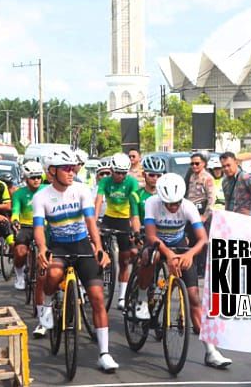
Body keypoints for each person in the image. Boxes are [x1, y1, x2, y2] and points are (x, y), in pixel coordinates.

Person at [32, 149, 118, 372]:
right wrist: (42, 248)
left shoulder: (81, 190)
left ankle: (104, 353)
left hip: (81, 244)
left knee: (98, 297)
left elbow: (91, 221)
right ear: (52, 171)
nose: (72, 172)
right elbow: (39, 228)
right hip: (58, 245)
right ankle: (48, 304)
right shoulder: (41, 197)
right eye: (66, 169)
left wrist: (98, 247)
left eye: (73, 168)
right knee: (52, 274)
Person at [142, 173, 232, 368]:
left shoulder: (188, 206)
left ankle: (211, 352)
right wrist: (168, 254)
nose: (173, 207)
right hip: (158, 245)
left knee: (194, 298)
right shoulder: (151, 202)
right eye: (169, 204)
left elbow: (202, 239)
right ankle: (141, 299)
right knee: (151, 256)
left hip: (181, 246)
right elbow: (150, 235)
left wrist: (189, 255)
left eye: (176, 203)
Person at [94, 153, 141, 310]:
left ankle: (121, 296)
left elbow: (134, 205)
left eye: (123, 173)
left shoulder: (132, 182)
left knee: (124, 260)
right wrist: (94, 221)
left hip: (124, 220)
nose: (120, 176)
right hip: (108, 218)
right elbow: (99, 200)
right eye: (117, 172)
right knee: (96, 248)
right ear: (112, 170)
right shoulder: (105, 181)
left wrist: (135, 228)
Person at [10, 161, 44, 292]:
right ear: (25, 178)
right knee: (20, 252)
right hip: (25, 226)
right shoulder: (19, 193)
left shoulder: (47, 190)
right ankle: (19, 275)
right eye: (33, 177)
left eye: (38, 177)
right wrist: (15, 220)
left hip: (43, 226)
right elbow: (15, 211)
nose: (36, 180)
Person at [131, 156, 165, 223]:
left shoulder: (166, 195)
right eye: (151, 175)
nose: (155, 178)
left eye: (159, 175)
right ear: (144, 174)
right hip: (143, 231)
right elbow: (135, 218)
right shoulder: (136, 195)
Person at [187, 152, 216, 222]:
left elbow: (212, 198)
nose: (194, 166)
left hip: (201, 210)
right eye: (192, 164)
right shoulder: (192, 176)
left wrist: (205, 216)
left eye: (197, 163)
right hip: (191, 209)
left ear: (203, 163)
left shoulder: (207, 178)